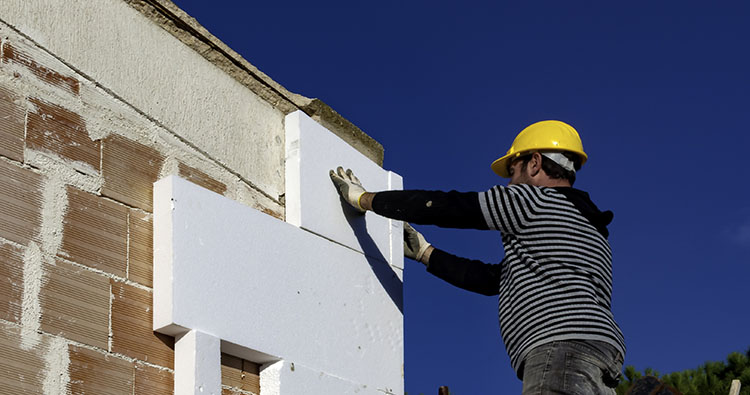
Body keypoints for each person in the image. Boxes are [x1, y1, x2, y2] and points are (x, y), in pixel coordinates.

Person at [330, 120, 626, 394]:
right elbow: (494, 279)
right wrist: (425, 252)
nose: (510, 184)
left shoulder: (532, 201)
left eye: (513, 171)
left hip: (560, 350)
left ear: (534, 163)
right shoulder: (589, 229)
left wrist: (365, 199)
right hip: (600, 356)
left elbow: (450, 206)